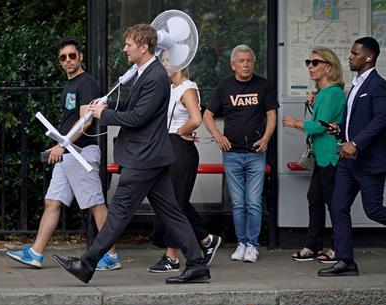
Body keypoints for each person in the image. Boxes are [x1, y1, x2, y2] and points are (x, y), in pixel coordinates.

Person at [52, 24, 210, 284]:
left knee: (118, 213)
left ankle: (87, 264)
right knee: (172, 213)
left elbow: (138, 117)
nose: (125, 49)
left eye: (128, 44)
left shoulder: (156, 76)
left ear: (144, 47)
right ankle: (197, 264)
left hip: (143, 158)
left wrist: (104, 115)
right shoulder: (146, 73)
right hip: (151, 157)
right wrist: (108, 103)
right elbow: (132, 106)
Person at [7, 36, 120, 270]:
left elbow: (85, 121)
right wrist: (60, 145)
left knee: (95, 204)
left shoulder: (86, 83)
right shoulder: (70, 85)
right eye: (63, 57)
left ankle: (111, 255)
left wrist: (63, 144)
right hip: (69, 152)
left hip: (81, 152)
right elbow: (73, 121)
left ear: (80, 56)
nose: (67, 60)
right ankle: (36, 253)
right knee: (52, 201)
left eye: (71, 56)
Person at [203, 44, 278, 263]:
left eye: (249, 61)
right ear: (233, 64)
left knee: (253, 202)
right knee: (238, 203)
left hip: (255, 153)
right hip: (232, 153)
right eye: (241, 61)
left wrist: (265, 139)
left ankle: (253, 245)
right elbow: (208, 115)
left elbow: (271, 115)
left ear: (253, 64)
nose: (245, 64)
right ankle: (241, 243)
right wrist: (217, 135)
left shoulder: (263, 85)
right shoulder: (224, 86)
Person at [318, 37, 386, 277]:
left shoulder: (378, 85)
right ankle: (346, 261)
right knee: (337, 207)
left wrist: (355, 142)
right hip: (348, 162)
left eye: (355, 53)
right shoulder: (356, 84)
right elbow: (356, 119)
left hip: (368, 161)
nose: (350, 56)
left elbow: (381, 119)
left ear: (368, 57)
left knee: (374, 210)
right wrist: (340, 129)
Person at [149, 68, 221, 273]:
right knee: (172, 199)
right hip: (168, 147)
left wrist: (181, 131)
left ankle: (172, 256)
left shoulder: (188, 88)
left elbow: (196, 119)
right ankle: (206, 240)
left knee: (174, 202)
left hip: (180, 150)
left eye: (166, 61)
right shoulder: (170, 88)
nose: (162, 66)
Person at [282, 47, 345, 263]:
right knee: (315, 198)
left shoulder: (333, 93)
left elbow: (320, 126)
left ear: (329, 67)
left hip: (330, 156)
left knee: (332, 202)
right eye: (309, 62)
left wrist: (296, 122)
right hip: (320, 156)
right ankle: (313, 245)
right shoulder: (323, 94)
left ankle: (338, 248)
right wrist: (313, 102)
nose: (310, 65)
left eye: (315, 62)